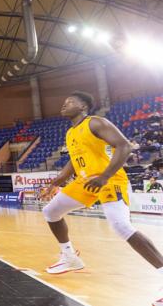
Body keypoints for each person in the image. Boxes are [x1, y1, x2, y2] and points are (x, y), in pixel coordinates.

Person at [40, 91, 163, 304]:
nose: (64, 104)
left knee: (121, 227)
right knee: (50, 211)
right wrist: (55, 183)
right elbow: (74, 161)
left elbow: (124, 145)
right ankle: (70, 257)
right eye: (64, 101)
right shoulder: (70, 133)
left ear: (83, 107)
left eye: (69, 102)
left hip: (109, 178)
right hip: (85, 181)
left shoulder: (96, 122)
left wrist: (105, 176)